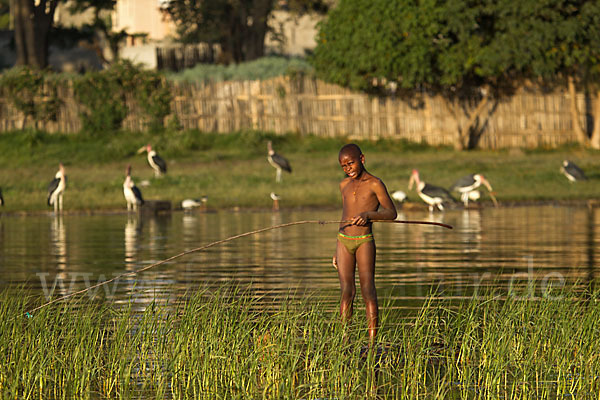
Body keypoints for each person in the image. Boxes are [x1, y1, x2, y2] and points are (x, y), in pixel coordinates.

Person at [333, 143, 397, 345]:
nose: (348, 169)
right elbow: (344, 216)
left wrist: (369, 215)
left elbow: (391, 213)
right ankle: (345, 340)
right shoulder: (344, 185)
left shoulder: (375, 184)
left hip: (363, 242)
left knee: (368, 290)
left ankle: (372, 344)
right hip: (343, 241)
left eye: (350, 163)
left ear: (362, 159)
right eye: (343, 166)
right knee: (346, 292)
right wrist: (335, 250)